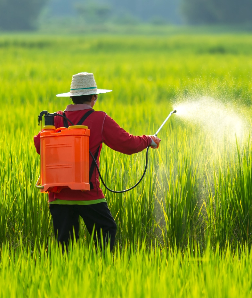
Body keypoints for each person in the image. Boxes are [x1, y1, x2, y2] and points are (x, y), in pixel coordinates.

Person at [33, 72, 161, 251]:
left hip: (58, 195)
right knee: (106, 231)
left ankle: (65, 277)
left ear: (72, 97)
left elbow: (39, 144)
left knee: (65, 247)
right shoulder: (99, 119)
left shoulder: (55, 119)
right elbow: (127, 144)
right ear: (94, 97)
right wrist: (149, 140)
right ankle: (102, 272)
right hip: (87, 193)